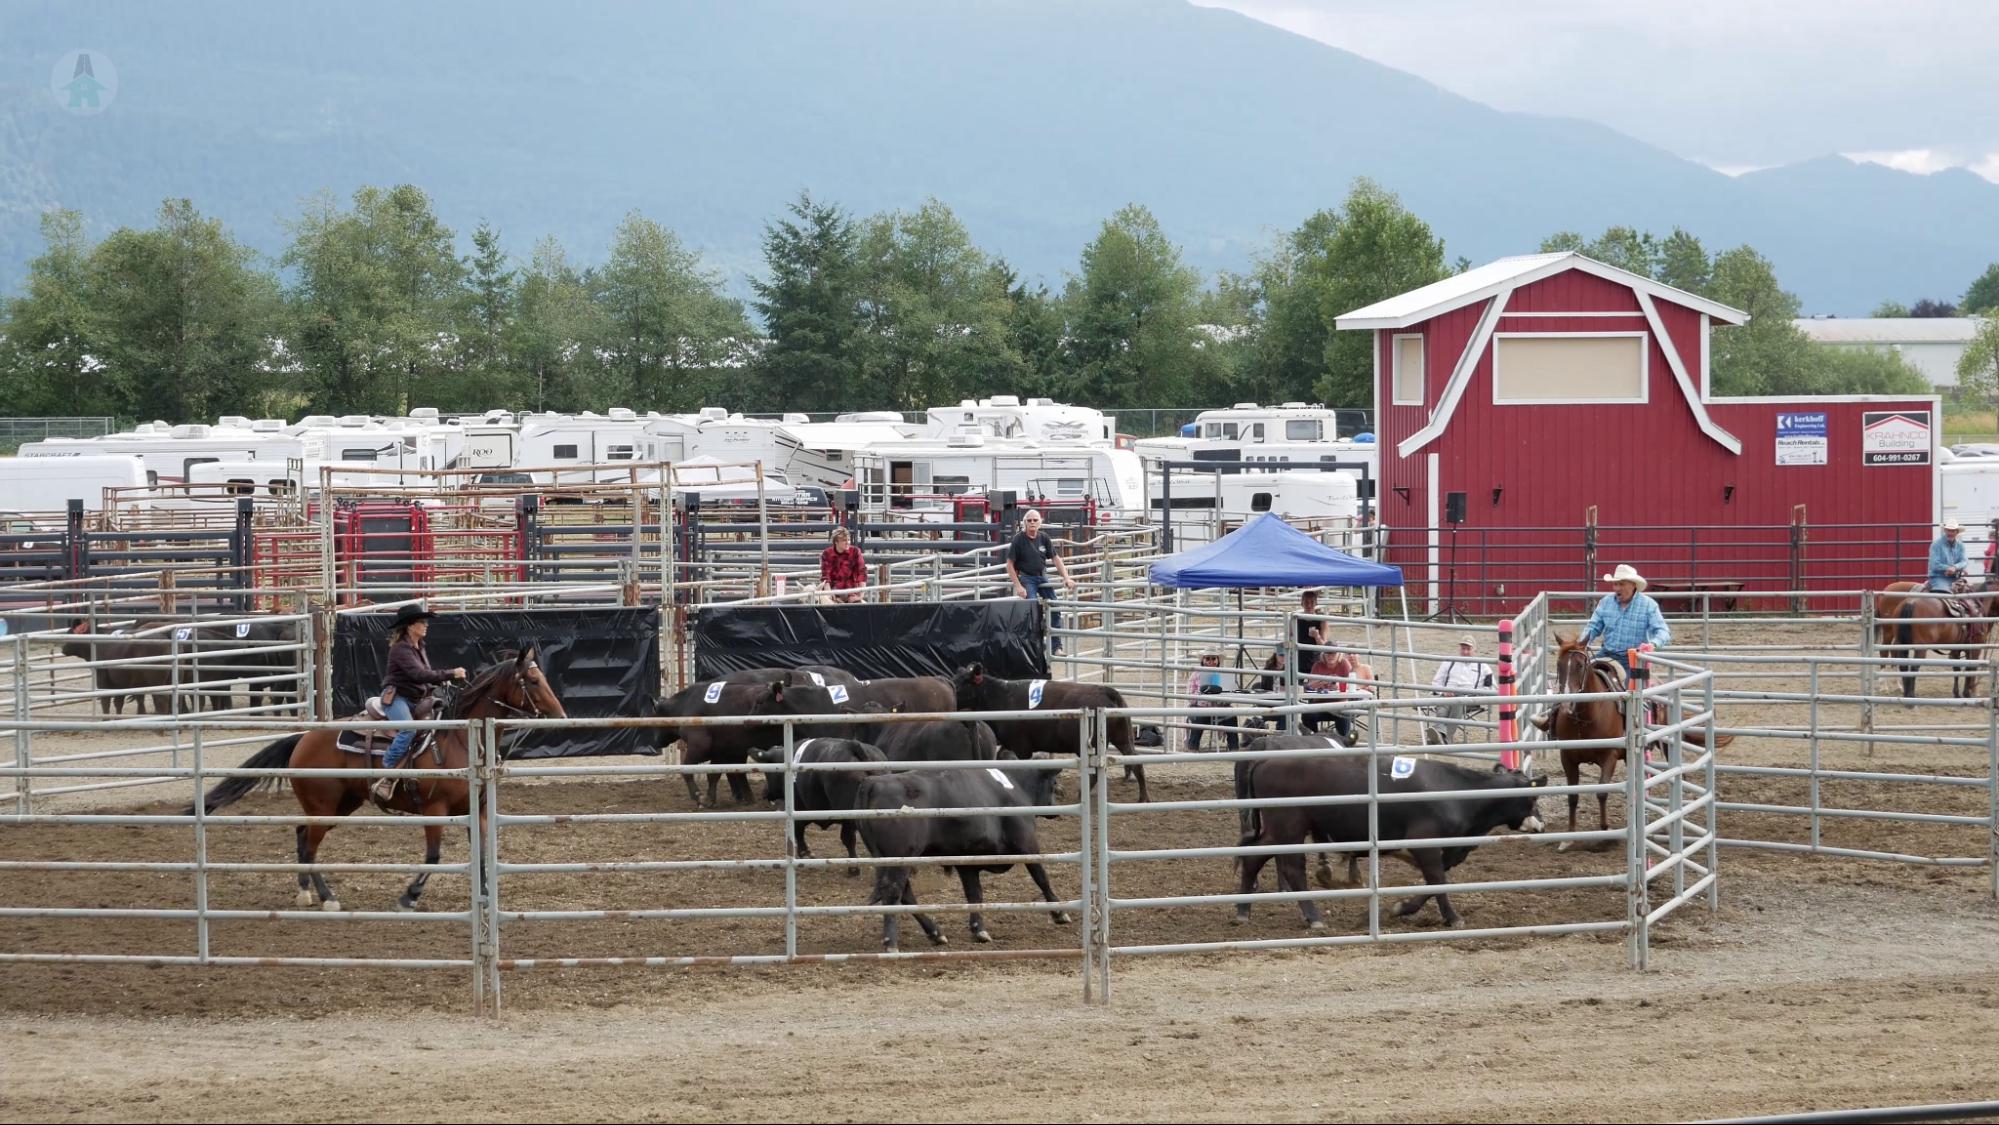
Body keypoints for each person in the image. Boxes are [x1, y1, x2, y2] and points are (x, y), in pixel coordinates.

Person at [1534, 564, 1669, 731]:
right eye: (1615, 584)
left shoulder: (1648, 606)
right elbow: (1593, 626)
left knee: (1633, 694)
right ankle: (1552, 716)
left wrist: (1652, 644)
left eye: (1621, 584)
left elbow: (1662, 631)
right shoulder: (1606, 603)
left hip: (1634, 660)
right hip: (1607, 654)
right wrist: (1581, 644)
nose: (1617, 588)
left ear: (1632, 585)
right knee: (1575, 675)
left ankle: (1637, 729)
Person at [372, 605, 465, 805]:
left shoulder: (418, 646)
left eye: (425, 622)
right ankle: (386, 775)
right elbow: (418, 674)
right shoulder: (401, 649)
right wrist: (450, 673)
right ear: (409, 626)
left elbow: (424, 674)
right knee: (408, 729)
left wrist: (441, 680)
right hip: (397, 698)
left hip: (414, 698)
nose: (426, 625)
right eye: (421, 622)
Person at [1008, 509, 1076, 653]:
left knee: (1054, 607)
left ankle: (1056, 646)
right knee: (1032, 608)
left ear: (1040, 522)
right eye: (1029, 520)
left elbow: (1056, 559)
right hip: (1027, 577)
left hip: (1042, 577)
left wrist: (1066, 577)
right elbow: (1009, 564)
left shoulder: (1044, 537)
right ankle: (1034, 646)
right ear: (1024, 523)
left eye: (1035, 520)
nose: (1032, 523)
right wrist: (1018, 586)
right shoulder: (1018, 539)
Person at [1427, 635, 1490, 745]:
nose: (1465, 652)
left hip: (1470, 698)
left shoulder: (1483, 666)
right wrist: (1443, 691)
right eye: (1463, 648)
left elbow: (1490, 687)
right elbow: (1436, 682)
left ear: (1475, 650)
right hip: (1448, 694)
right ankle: (1442, 736)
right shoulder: (1449, 662)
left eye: (1468, 649)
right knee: (1442, 704)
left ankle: (1443, 735)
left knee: (1458, 702)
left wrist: (1476, 695)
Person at [1186, 652, 1237, 752]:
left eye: (1213, 659)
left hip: (1220, 709)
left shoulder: (1224, 674)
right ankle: (1193, 747)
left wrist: (1224, 697)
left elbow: (1231, 697)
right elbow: (1190, 698)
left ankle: (1234, 748)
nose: (1211, 661)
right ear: (1203, 661)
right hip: (1201, 708)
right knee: (1199, 715)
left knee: (1232, 715)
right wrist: (1203, 695)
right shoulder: (1195, 674)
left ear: (1218, 660)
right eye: (1207, 659)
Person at [819, 526, 867, 603]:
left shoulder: (855, 551)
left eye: (848, 540)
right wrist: (829, 593)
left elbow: (862, 572)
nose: (847, 542)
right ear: (836, 542)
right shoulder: (827, 553)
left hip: (851, 592)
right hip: (833, 591)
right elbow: (825, 576)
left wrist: (860, 595)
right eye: (844, 540)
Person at [1928, 520, 1968, 592]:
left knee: (1969, 593)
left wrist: (1955, 567)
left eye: (1953, 531)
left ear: (1957, 532)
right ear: (1945, 531)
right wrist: (1949, 568)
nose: (1950, 533)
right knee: (1944, 593)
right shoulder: (1936, 545)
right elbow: (1934, 564)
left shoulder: (1960, 545)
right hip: (1938, 577)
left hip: (1955, 577)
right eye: (1948, 530)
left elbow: (1964, 561)